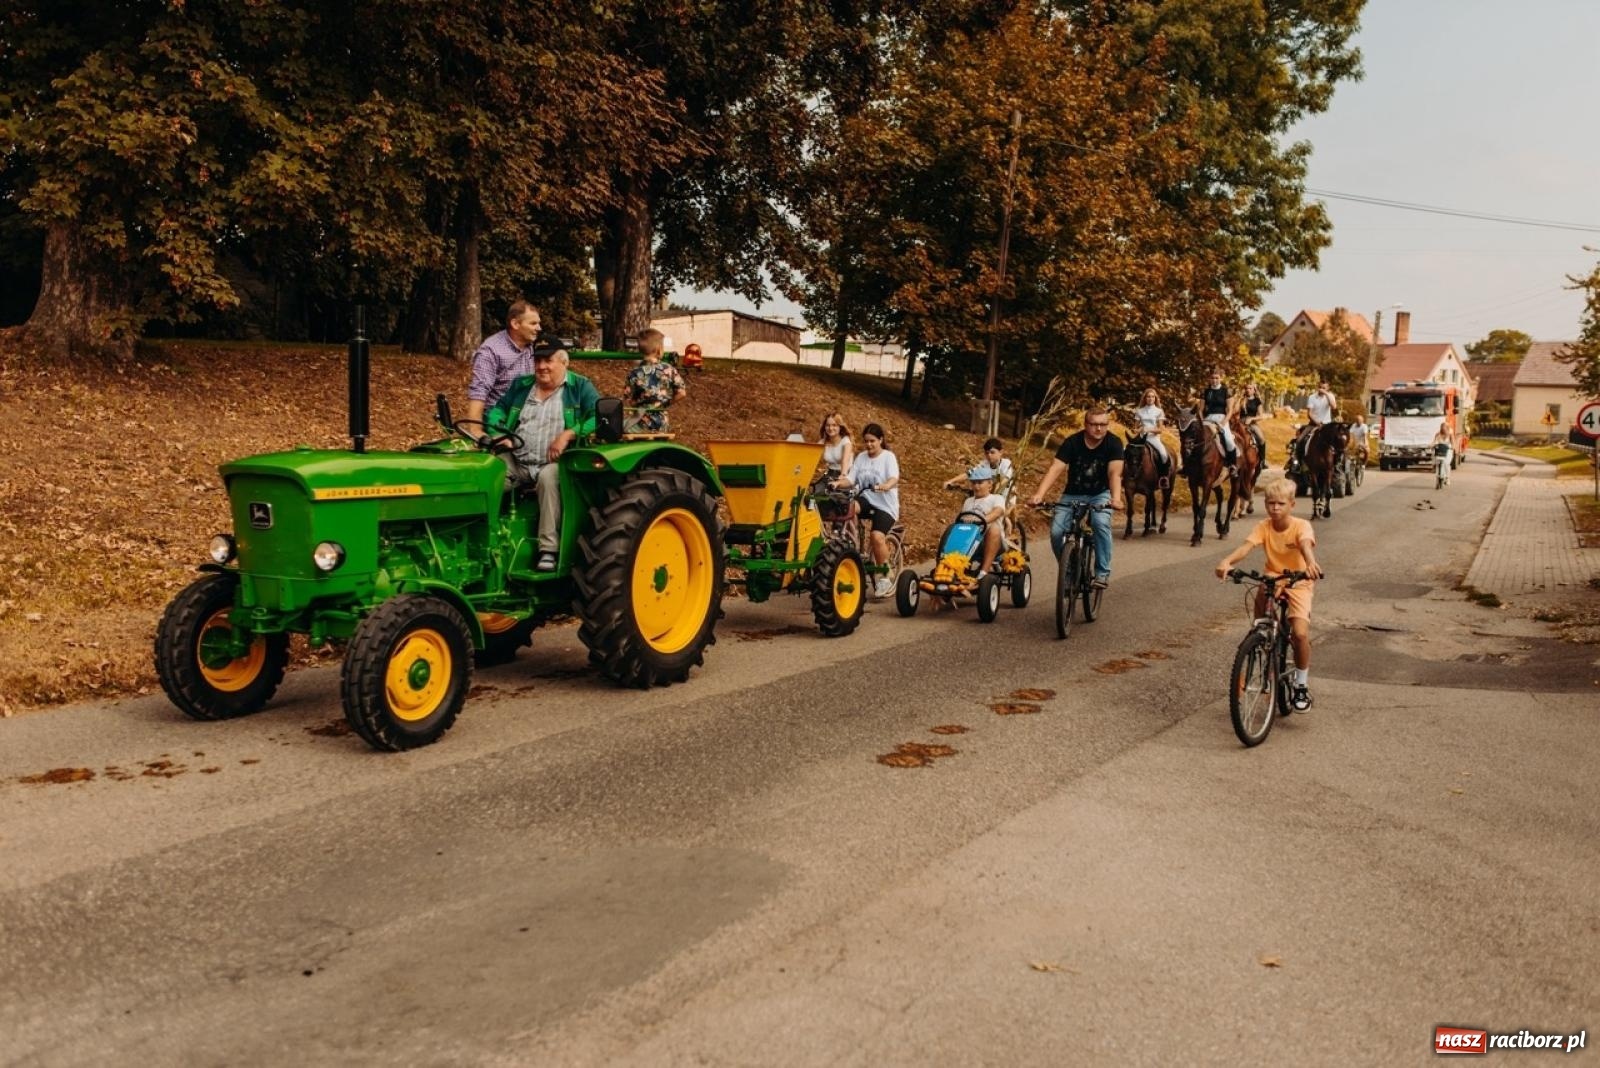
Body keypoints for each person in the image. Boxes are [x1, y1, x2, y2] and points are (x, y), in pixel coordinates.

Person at [485, 349, 601, 572]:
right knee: (489, 474)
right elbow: (496, 411)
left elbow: (598, 416)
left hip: (557, 463)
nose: (541, 366)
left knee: (548, 478)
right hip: (518, 461)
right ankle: (488, 539)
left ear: (564, 363)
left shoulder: (579, 386)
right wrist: (499, 433)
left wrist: (569, 434)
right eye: (537, 360)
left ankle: (548, 550)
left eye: (548, 360)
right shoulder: (522, 385)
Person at [1214, 478, 1325, 711]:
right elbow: (1246, 547)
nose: (1275, 508)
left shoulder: (1301, 526)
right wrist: (1227, 561)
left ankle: (1301, 685)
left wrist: (1311, 565)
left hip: (1299, 580)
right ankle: (1262, 633)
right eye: (1270, 503)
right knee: (1262, 597)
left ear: (1292, 505)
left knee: (1300, 633)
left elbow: (1305, 546)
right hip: (1273, 577)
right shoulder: (1264, 526)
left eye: (1280, 504)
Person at [1027, 406, 1125, 589]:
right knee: (1057, 532)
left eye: (1103, 424)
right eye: (1094, 424)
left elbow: (1114, 474)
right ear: (1085, 424)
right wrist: (1039, 495)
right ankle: (1069, 571)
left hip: (1100, 494)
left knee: (1100, 523)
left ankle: (1102, 573)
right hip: (1072, 493)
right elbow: (1055, 468)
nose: (1099, 429)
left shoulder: (1114, 443)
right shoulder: (1072, 442)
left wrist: (1116, 498)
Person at [833, 422, 900, 598]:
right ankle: (848, 543)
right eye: (866, 441)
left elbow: (894, 478)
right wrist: (839, 483)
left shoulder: (888, 457)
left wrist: (886, 485)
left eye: (872, 441)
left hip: (885, 504)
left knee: (877, 537)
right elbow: (851, 479)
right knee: (847, 508)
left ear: (881, 440)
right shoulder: (862, 457)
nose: (869, 445)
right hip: (867, 498)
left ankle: (885, 575)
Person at [465, 300, 549, 429]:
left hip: (529, 416)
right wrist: (475, 430)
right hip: (499, 418)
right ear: (515, 324)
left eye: (538, 323)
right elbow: (479, 391)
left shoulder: (534, 346)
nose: (539, 328)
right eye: (533, 323)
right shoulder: (491, 350)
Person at [624, 328, 687, 433]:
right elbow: (682, 393)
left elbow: (628, 398)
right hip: (662, 423)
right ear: (659, 349)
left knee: (616, 427)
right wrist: (664, 404)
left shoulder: (635, 372)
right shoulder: (669, 369)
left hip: (641, 422)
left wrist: (637, 406)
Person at [956, 464, 1007, 579]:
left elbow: (997, 512)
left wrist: (981, 520)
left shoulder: (996, 498)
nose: (976, 486)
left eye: (980, 483)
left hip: (993, 542)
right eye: (974, 483)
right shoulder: (968, 501)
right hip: (970, 541)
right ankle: (952, 570)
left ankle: (984, 572)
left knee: (994, 528)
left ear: (989, 484)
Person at [1292, 380, 1339, 470]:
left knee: (1337, 441)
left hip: (1327, 425)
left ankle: (1337, 463)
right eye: (1320, 387)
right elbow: (1309, 413)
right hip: (1314, 424)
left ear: (1328, 388)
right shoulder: (1312, 397)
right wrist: (1317, 423)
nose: (1321, 389)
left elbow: (1333, 407)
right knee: (1299, 440)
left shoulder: (1330, 396)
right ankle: (1297, 462)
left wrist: (1326, 394)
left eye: (1324, 388)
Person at [944, 438, 1015, 496]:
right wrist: (951, 481)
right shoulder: (984, 464)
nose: (989, 455)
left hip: (1005, 495)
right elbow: (968, 474)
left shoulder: (1006, 464)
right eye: (987, 453)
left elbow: (1003, 482)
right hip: (990, 494)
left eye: (992, 452)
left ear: (1001, 452)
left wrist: (990, 495)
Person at [1130, 388, 1172, 484]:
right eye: (1148, 397)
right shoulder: (1139, 411)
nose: (1150, 398)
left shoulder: (1159, 411)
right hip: (1140, 437)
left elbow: (1160, 430)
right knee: (1125, 450)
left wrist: (1147, 429)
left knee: (1163, 454)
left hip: (1153, 438)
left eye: (1152, 397)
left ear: (1155, 398)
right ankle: (1124, 475)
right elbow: (1135, 428)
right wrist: (1136, 430)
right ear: (1145, 398)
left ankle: (1163, 477)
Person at [1201, 369, 1239, 472]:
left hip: (1221, 418)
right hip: (1208, 419)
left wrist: (1223, 423)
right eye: (1212, 378)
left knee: (1229, 441)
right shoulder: (1206, 391)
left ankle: (1232, 465)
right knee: (1196, 438)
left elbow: (1230, 410)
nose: (1214, 380)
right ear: (1209, 379)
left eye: (1217, 378)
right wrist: (1201, 420)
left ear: (1221, 378)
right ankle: (1187, 466)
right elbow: (1201, 409)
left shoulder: (1226, 391)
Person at [1238, 382, 1268, 468]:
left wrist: (1251, 419)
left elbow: (1261, 416)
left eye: (1250, 388)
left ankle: (1262, 461)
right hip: (1240, 422)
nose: (1248, 390)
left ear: (1254, 390)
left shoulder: (1257, 401)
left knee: (1261, 439)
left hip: (1252, 423)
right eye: (1246, 388)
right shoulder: (1241, 400)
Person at [819, 412, 855, 481]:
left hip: (846, 475)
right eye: (827, 425)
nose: (830, 428)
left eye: (834, 425)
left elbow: (845, 461)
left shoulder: (846, 442)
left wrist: (843, 475)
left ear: (840, 427)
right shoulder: (823, 442)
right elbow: (810, 454)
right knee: (816, 490)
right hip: (830, 474)